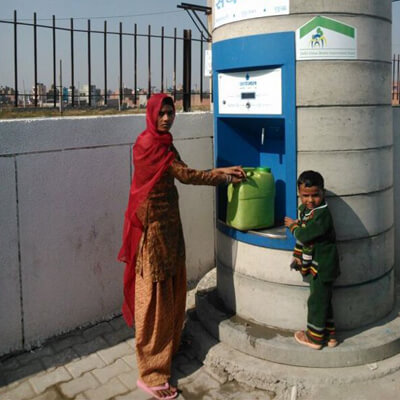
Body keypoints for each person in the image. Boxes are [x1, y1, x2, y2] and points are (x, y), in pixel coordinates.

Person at [118, 93, 245, 399]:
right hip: (153, 232)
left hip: (170, 227)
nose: (166, 118)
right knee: (156, 299)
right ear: (151, 114)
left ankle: (169, 348)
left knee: (174, 290)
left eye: (170, 112)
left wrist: (218, 173)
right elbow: (186, 175)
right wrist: (221, 177)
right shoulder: (148, 144)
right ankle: (151, 373)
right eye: (161, 113)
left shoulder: (164, 143)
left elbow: (182, 170)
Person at [284, 170, 340, 350]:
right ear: (299, 194)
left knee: (316, 302)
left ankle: (314, 339)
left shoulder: (322, 215)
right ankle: (330, 336)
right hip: (320, 266)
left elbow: (305, 235)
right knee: (324, 301)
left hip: (323, 267)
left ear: (323, 193)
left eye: (315, 195)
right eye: (305, 196)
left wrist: (292, 226)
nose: (310, 200)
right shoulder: (307, 211)